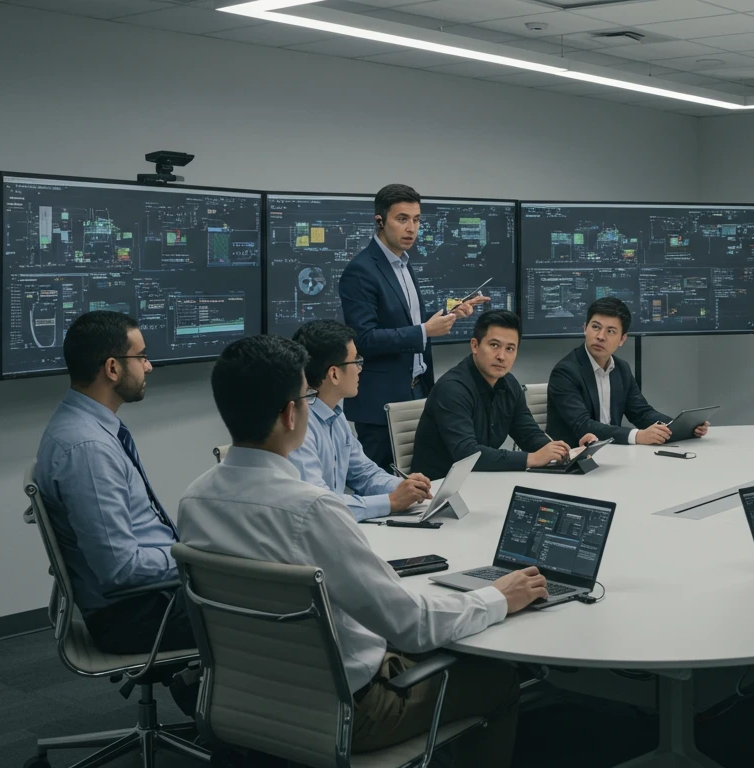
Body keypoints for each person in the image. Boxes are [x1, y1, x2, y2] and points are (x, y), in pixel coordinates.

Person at [179, 335, 547, 761]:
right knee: (499, 680)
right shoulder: (313, 510)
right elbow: (411, 624)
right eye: (306, 394)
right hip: (349, 711)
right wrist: (498, 596)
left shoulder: (194, 499)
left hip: (244, 698)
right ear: (290, 413)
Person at [35, 310, 191, 655]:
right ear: (112, 368)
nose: (149, 367)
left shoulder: (87, 428)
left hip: (152, 598)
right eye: (142, 357)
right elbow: (120, 569)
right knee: (277, 608)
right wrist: (197, 558)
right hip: (136, 615)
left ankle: (199, 687)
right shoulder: (88, 449)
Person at [339, 183, 488, 472]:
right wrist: (424, 331)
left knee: (417, 480)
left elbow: (405, 322)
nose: (411, 228)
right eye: (402, 219)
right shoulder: (361, 270)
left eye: (417, 220)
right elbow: (364, 340)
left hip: (416, 391)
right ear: (380, 221)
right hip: (380, 403)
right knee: (380, 488)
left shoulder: (404, 264)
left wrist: (449, 314)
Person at [288, 320, 433, 521]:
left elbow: (365, 475)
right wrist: (390, 502)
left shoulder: (335, 415)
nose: (360, 369)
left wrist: (403, 487)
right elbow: (319, 505)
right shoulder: (298, 426)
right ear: (334, 374)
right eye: (355, 361)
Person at [410, 310, 576, 476]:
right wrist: (531, 458)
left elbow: (528, 434)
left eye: (510, 348)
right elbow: (467, 454)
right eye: (494, 345)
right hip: (437, 488)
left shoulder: (510, 384)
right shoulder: (451, 389)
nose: (501, 356)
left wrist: (556, 451)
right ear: (475, 345)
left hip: (482, 479)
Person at [546, 297, 708, 446]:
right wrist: (637, 436)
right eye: (595, 327)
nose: (600, 336)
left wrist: (682, 427)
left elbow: (641, 413)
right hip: (574, 458)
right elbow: (583, 426)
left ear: (622, 339)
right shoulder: (565, 372)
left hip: (613, 454)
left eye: (610, 331)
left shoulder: (621, 368)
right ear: (585, 329)